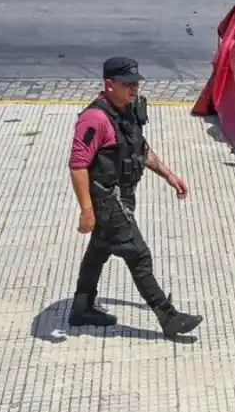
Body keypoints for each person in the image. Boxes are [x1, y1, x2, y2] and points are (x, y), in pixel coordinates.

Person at [67, 58, 203, 338]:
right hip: (107, 201)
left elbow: (140, 148)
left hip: (124, 197)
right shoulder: (94, 120)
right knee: (138, 254)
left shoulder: (127, 110)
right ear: (109, 85)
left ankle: (82, 307)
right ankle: (168, 317)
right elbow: (78, 166)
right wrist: (86, 210)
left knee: (99, 250)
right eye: (127, 84)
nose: (134, 89)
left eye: (136, 83)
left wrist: (168, 174)